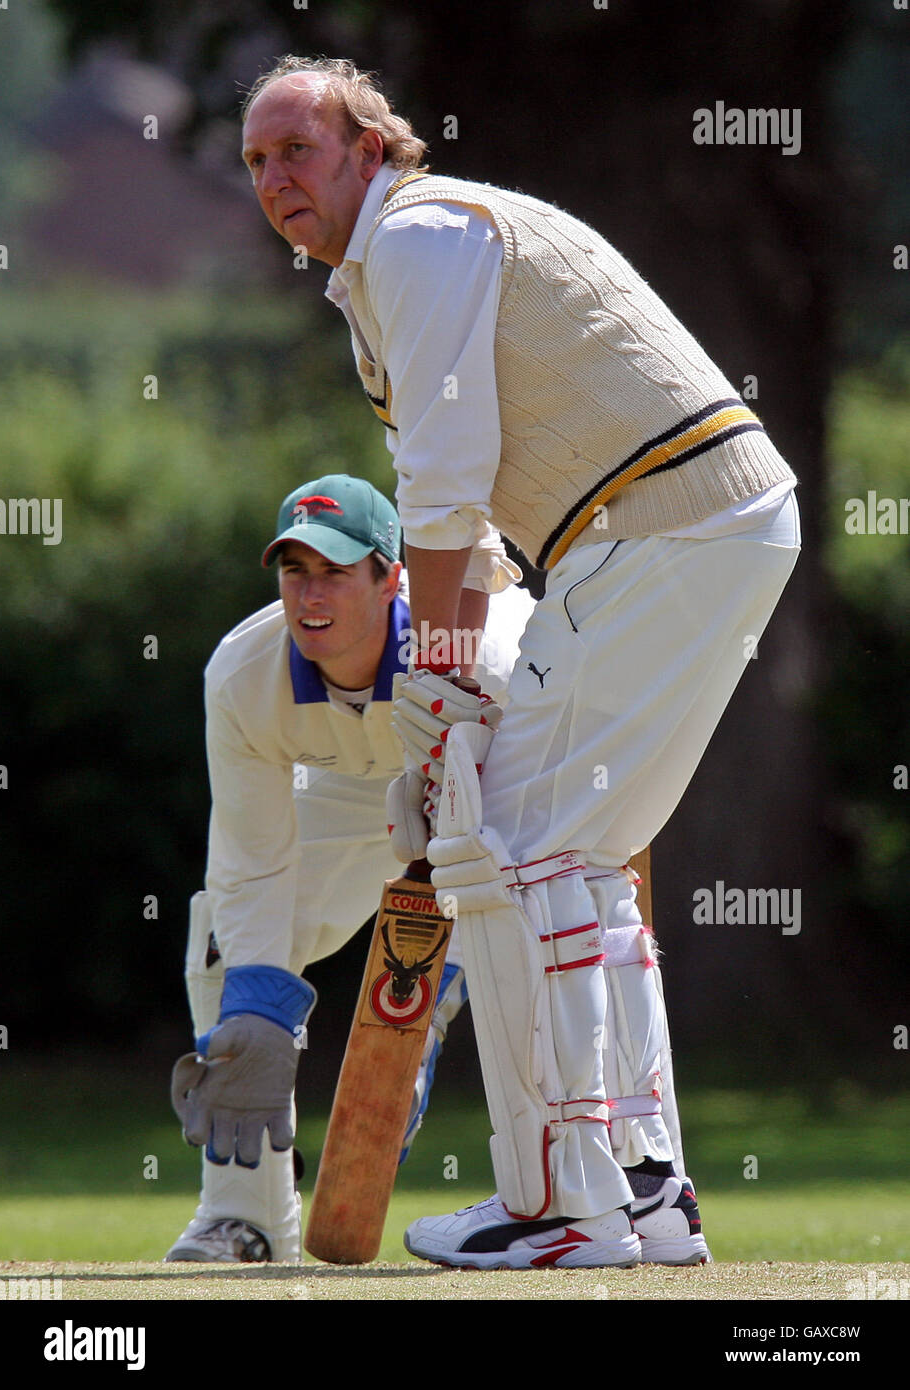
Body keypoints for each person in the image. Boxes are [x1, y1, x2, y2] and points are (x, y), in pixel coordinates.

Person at [238, 57, 802, 1270]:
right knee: (572, 855)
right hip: (685, 531)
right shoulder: (386, 276)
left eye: (299, 148)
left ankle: (564, 1207)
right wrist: (452, 707)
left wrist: (433, 690)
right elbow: (479, 524)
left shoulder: (420, 239)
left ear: (370, 148)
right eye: (256, 162)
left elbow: (440, 493)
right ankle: (645, 1193)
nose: (276, 179)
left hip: (661, 526)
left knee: (507, 842)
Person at [165, 473, 531, 1262]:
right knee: (222, 942)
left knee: (539, 938)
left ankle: (576, 1200)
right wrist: (257, 1017)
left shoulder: (488, 656)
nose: (310, 594)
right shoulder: (243, 676)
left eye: (335, 570)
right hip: (343, 783)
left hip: (484, 779)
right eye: (295, 571)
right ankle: (248, 1220)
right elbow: (251, 862)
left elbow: (534, 828)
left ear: (392, 576)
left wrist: (440, 970)